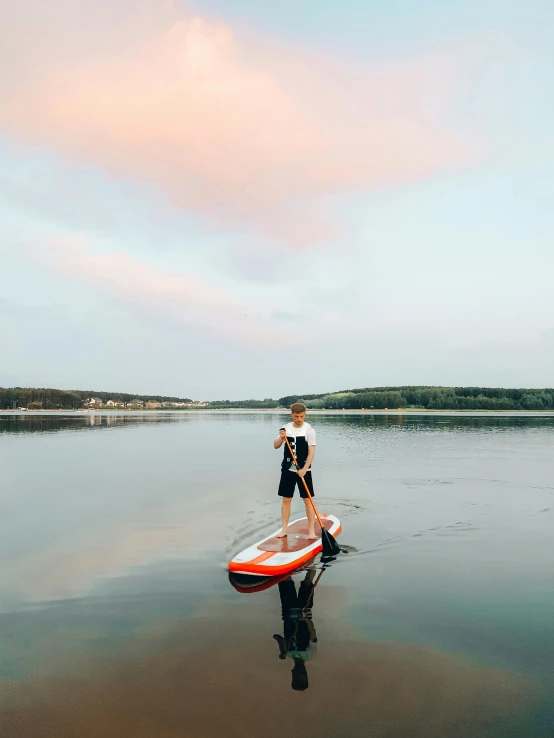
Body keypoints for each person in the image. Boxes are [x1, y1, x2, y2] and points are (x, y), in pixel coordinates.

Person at [273, 402, 317, 540]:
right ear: (291, 415)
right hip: (288, 470)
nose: (299, 419)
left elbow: (311, 452)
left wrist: (304, 469)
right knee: (286, 499)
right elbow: (275, 446)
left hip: (304, 470)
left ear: (305, 415)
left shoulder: (309, 430)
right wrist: (281, 437)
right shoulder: (285, 429)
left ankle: (311, 531)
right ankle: (284, 530)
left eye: (302, 416)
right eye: (296, 416)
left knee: (307, 500)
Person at [272, 569, 318, 691]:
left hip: (288, 612)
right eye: (301, 675)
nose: (297, 673)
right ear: (306, 674)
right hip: (304, 610)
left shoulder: (288, 653)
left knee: (285, 579)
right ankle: (313, 560)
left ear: (292, 673)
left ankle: (286, 561)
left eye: (295, 676)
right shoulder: (310, 655)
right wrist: (306, 618)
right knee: (308, 581)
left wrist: (282, 651)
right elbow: (312, 634)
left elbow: (277, 637)